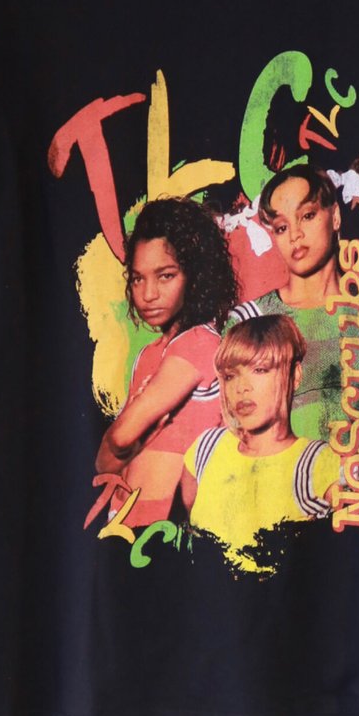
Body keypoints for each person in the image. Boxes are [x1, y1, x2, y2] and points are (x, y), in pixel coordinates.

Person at [94, 196, 239, 529]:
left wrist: (133, 433)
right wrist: (138, 434)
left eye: (165, 276)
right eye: (138, 278)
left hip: (167, 527)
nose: (148, 294)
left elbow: (120, 438)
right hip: (123, 520)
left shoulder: (200, 342)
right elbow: (103, 463)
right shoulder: (148, 355)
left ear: (195, 275)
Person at [182, 314, 343, 576]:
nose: (242, 387)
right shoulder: (205, 448)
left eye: (260, 370)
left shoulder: (317, 463)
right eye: (231, 375)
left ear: (295, 375)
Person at [226, 164, 359, 442]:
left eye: (307, 216)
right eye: (281, 227)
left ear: (335, 216)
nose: (295, 235)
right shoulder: (249, 320)